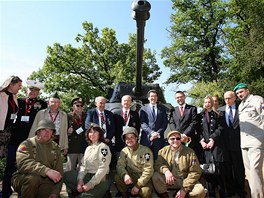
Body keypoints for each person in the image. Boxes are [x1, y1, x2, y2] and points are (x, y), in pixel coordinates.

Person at [2, 80, 47, 198]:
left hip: (31, 141)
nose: (32, 92)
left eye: (35, 90)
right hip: (14, 139)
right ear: (27, 90)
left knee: (28, 167)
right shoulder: (19, 101)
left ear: (39, 92)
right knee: (10, 166)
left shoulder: (43, 104)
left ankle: (25, 192)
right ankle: (6, 191)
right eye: (31, 89)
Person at [12, 119, 63, 198]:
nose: (47, 132)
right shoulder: (27, 144)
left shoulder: (55, 147)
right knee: (33, 179)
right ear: (38, 131)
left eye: (50, 130)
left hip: (46, 181)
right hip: (23, 177)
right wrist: (46, 171)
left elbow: (59, 171)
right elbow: (23, 163)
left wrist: (55, 191)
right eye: (44, 130)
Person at [152, 130, 206, 198]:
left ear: (181, 140)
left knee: (199, 191)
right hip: (171, 180)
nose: (175, 140)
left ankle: (183, 195)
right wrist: (166, 171)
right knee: (155, 176)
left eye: (178, 138)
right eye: (172, 139)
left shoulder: (190, 152)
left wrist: (184, 189)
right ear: (168, 141)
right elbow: (158, 165)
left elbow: (195, 171)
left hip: (186, 180)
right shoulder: (162, 151)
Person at [63, 123, 111, 198]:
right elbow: (83, 166)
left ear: (100, 134)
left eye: (95, 132)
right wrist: (80, 180)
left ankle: (103, 193)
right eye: (90, 132)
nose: (92, 134)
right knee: (65, 176)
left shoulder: (103, 147)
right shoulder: (88, 148)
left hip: (100, 180)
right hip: (87, 176)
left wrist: (90, 185)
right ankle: (76, 192)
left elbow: (103, 169)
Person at [234, 83, 264, 198]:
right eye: (237, 93)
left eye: (241, 92)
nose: (240, 94)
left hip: (256, 141)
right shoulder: (241, 105)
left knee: (255, 170)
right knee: (250, 173)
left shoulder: (257, 100)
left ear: (247, 90)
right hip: (244, 143)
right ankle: (257, 194)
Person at [197, 95, 228, 197]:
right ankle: (211, 195)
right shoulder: (199, 115)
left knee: (219, 173)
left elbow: (220, 128)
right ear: (203, 104)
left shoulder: (219, 114)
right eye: (205, 102)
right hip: (205, 148)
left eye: (209, 102)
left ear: (212, 103)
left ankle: (223, 194)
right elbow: (199, 131)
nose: (207, 104)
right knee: (208, 173)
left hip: (217, 147)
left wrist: (212, 139)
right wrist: (202, 141)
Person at [218, 91, 246, 197]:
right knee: (227, 171)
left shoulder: (241, 109)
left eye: (229, 98)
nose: (227, 100)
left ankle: (241, 190)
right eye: (225, 98)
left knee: (239, 170)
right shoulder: (220, 111)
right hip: (224, 147)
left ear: (234, 98)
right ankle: (230, 190)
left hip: (238, 145)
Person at [114, 127, 154, 198]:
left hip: (143, 178)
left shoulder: (145, 151)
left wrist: (138, 186)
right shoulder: (124, 151)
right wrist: (125, 175)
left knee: (145, 192)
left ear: (136, 138)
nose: (129, 140)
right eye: (127, 138)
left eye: (132, 137)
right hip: (131, 176)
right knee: (117, 177)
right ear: (124, 140)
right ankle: (125, 196)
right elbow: (119, 165)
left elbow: (148, 170)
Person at [169, 91, 200, 158]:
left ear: (184, 97)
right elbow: (171, 123)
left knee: (190, 159)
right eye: (177, 97)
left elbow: (194, 122)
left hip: (189, 139)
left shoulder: (192, 109)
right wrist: (177, 135)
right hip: (176, 140)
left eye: (181, 97)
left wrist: (184, 134)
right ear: (175, 99)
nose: (179, 99)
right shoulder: (173, 110)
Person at [139, 89, 168, 160]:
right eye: (151, 96)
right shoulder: (143, 108)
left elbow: (165, 122)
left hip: (159, 138)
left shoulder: (162, 108)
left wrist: (157, 133)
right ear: (148, 98)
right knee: (146, 158)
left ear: (157, 98)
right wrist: (151, 133)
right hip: (147, 138)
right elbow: (142, 123)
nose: (153, 98)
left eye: (155, 96)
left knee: (158, 158)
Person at [0, 76, 22, 158]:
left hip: (7, 132)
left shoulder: (14, 97)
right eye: (19, 85)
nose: (21, 87)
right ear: (10, 85)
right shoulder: (1, 95)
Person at [67, 97, 86, 171]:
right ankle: (69, 182)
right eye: (77, 105)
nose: (80, 107)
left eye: (81, 105)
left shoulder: (86, 116)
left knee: (82, 169)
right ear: (72, 107)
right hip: (72, 146)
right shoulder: (68, 116)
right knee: (70, 168)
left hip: (83, 145)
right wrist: (68, 132)